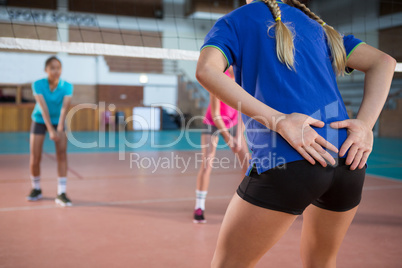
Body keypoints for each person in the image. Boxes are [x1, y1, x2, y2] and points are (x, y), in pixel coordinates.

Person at [196, 0, 396, 267]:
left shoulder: (237, 20)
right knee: (321, 262)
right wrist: (365, 124)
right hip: (347, 160)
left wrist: (279, 121)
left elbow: (206, 70)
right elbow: (384, 61)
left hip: (290, 158)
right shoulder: (321, 28)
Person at [194, 67, 250, 224]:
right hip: (213, 122)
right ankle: (199, 207)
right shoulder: (219, 77)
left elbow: (243, 111)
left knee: (248, 164)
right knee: (207, 163)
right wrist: (228, 137)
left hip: (234, 123)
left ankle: (241, 206)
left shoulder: (243, 79)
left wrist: (238, 136)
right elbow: (216, 114)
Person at [27, 56, 74, 207]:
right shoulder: (37, 85)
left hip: (58, 121)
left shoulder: (67, 86)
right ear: (46, 70)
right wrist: (50, 130)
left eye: (58, 67)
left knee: (61, 155)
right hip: (40, 120)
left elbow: (64, 108)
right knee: (35, 157)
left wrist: (59, 128)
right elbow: (43, 107)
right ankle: (36, 189)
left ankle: (61, 193)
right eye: (52, 68)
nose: (56, 71)